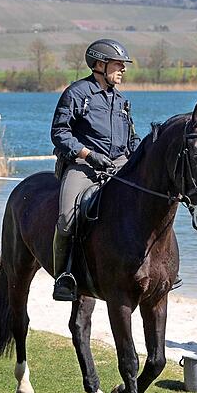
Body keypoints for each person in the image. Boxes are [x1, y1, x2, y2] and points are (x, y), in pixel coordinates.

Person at [50, 38, 140, 301]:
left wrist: (140, 158)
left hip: (119, 164)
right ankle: (64, 276)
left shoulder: (121, 100)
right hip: (82, 165)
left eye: (123, 65)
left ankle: (159, 267)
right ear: (99, 64)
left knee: (150, 201)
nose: (122, 69)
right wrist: (88, 155)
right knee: (67, 218)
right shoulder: (76, 94)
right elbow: (59, 133)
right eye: (117, 65)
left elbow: (131, 140)